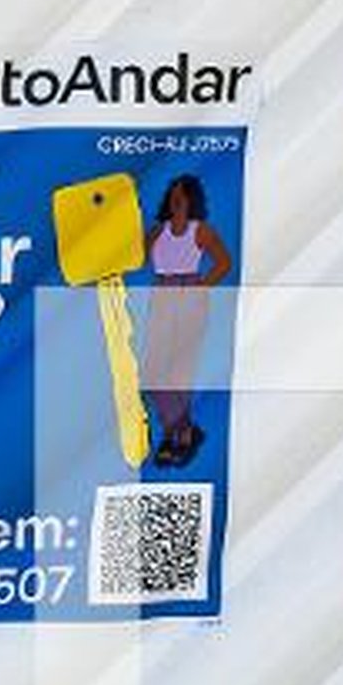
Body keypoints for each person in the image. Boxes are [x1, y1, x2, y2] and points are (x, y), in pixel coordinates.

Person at [138, 172, 230, 466]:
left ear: (193, 198)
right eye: (174, 193)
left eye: (183, 193)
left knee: (180, 370)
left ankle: (175, 438)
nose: (178, 198)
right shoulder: (157, 231)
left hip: (188, 290)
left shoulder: (199, 230)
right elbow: (137, 258)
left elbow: (224, 262)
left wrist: (200, 286)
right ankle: (183, 430)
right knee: (153, 372)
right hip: (162, 291)